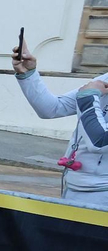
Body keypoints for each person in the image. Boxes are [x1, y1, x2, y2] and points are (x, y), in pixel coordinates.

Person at [11, 36, 108, 202]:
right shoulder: (103, 81)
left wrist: (88, 97)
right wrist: (28, 74)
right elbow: (52, 109)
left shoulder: (94, 90)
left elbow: (99, 141)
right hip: (74, 186)